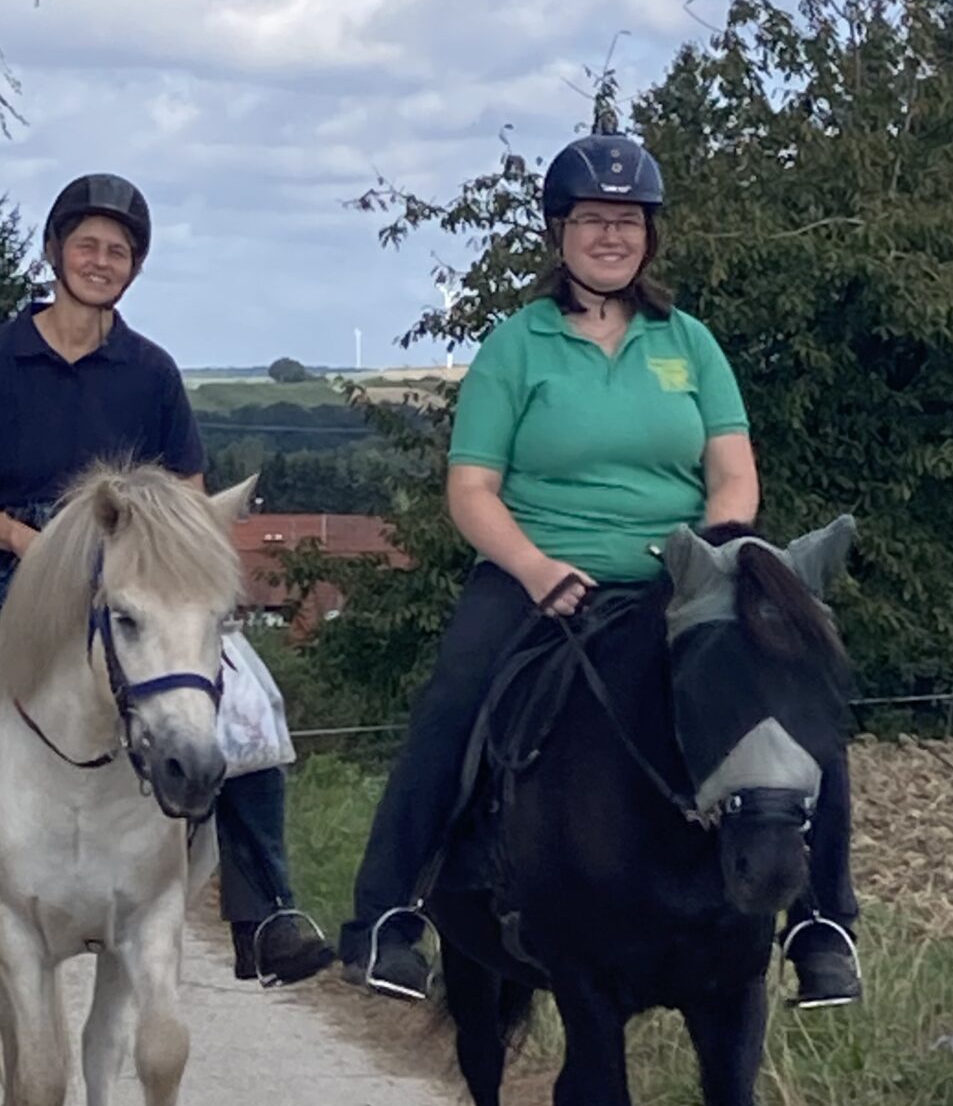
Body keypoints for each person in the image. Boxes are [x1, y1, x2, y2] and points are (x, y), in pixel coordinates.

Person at [339, 132, 861, 1011]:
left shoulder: (689, 343)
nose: (610, 235)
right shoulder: (518, 345)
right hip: (535, 572)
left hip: (685, 579)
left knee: (798, 695)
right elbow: (471, 490)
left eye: (627, 220)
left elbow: (733, 472)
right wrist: (536, 568)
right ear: (560, 233)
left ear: (649, 235)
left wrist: (716, 557)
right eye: (591, 219)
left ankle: (822, 923)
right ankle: (388, 916)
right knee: (453, 700)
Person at [0, 173, 333, 1001]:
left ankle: (268, 910)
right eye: (88, 246)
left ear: (133, 269)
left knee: (251, 709)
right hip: (10, 567)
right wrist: (24, 539)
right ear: (54, 252)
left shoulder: (150, 372)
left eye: (119, 251)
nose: (102, 261)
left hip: (132, 574)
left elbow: (185, 495)